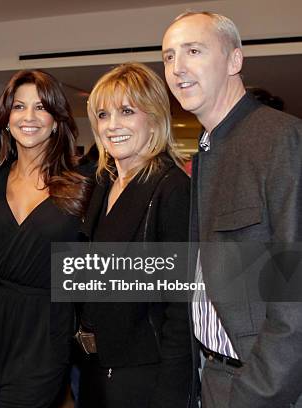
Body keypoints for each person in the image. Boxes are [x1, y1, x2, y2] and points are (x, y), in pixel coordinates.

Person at [162, 11, 302, 407]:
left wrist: (256, 393)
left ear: (234, 60)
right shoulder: (208, 148)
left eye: (193, 51)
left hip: (264, 386)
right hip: (214, 376)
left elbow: (295, 297)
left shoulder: (281, 139)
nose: (178, 68)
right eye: (169, 56)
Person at [0, 69, 90, 408]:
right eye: (20, 107)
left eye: (41, 107)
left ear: (56, 120)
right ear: (7, 118)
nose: (29, 117)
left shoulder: (82, 183)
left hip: (46, 330)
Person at [78, 62, 193, 408]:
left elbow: (181, 305)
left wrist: (170, 391)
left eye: (126, 111)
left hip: (146, 373)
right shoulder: (105, 180)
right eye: (103, 114)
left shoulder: (172, 188)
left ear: (155, 116)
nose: (112, 126)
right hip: (96, 366)